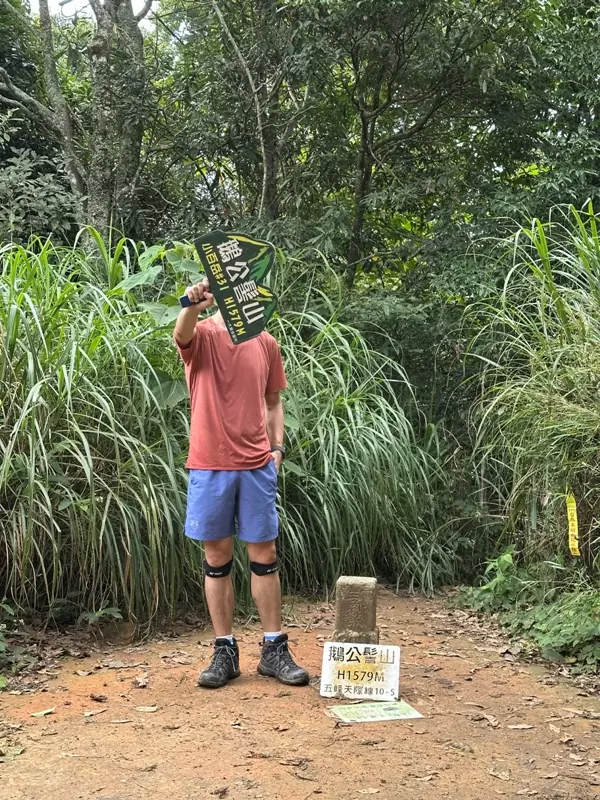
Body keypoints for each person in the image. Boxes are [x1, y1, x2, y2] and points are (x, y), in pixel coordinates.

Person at [174, 279, 309, 689]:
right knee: (217, 557)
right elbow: (181, 334)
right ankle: (225, 651)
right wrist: (192, 304)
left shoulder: (266, 341)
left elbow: (273, 401)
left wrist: (278, 449)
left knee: (264, 552)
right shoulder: (205, 334)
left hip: (256, 464)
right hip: (210, 463)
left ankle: (273, 649)